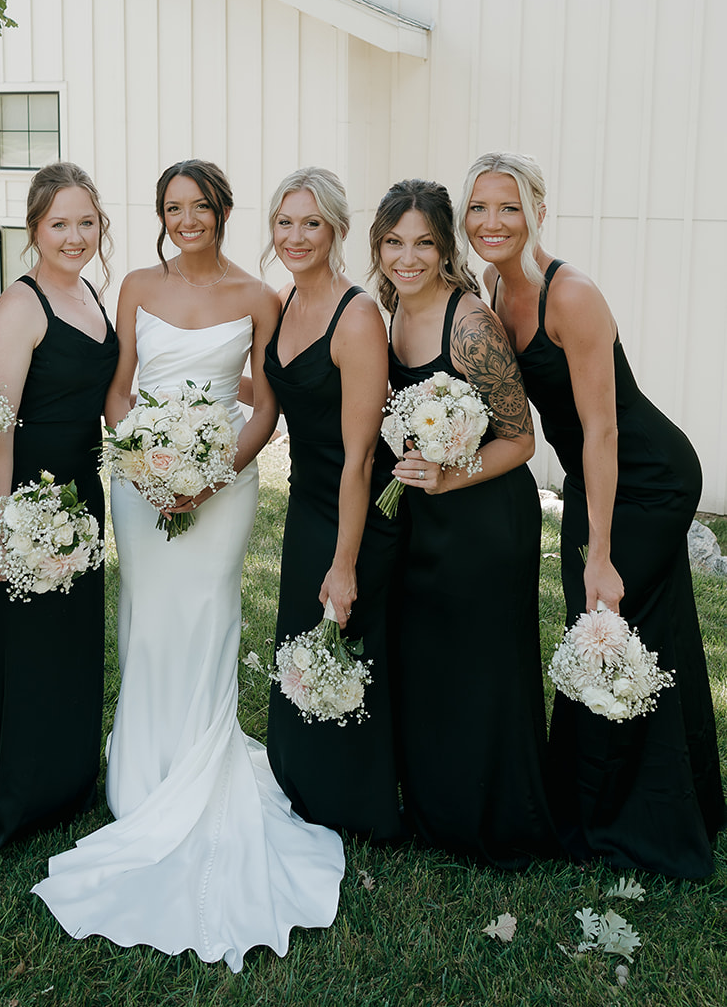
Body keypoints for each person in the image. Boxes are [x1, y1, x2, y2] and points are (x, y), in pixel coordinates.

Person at [33, 160, 344, 972]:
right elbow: (117, 385)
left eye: (199, 206)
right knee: (145, 617)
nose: (184, 219)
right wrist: (145, 463)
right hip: (140, 481)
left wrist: (214, 470)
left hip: (225, 481)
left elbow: (269, 401)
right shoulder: (134, 283)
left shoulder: (256, 296)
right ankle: (140, 776)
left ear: (224, 210)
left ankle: (201, 763)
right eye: (171, 207)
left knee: (205, 614)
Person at [459, 151, 725, 878]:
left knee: (608, 625)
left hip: (643, 474)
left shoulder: (568, 295)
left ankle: (629, 822)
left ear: (537, 211)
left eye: (507, 207)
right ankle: (642, 801)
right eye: (478, 208)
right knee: (624, 629)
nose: (491, 221)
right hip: (593, 477)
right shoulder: (491, 284)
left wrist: (598, 549)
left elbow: (601, 427)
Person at [370, 179, 556, 867]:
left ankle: (496, 816)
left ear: (444, 247)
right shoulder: (390, 308)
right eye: (393, 242)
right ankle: (435, 808)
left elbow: (519, 439)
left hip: (482, 518)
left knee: (482, 670)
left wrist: (450, 474)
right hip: (427, 517)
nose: (407, 256)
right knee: (431, 663)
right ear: (378, 246)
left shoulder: (469, 323)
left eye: (422, 242)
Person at [0, 163, 119, 855]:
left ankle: (65, 785)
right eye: (59, 224)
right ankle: (17, 796)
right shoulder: (20, 307)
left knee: (71, 646)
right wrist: (0, 526)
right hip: (30, 502)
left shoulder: (88, 294)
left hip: (82, 492)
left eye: (86, 222)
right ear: (33, 229)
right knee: (28, 652)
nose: (74, 237)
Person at [261, 167, 403, 837]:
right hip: (302, 503)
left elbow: (361, 457)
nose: (295, 236)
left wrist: (344, 562)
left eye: (310, 223)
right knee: (300, 645)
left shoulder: (356, 317)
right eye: (284, 222)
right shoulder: (282, 304)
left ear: (337, 230)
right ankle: (299, 784)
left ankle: (350, 804)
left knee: (340, 639)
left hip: (354, 510)